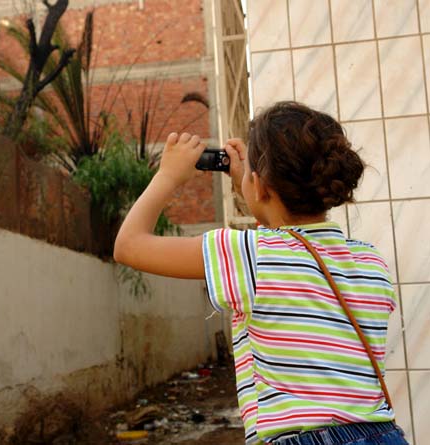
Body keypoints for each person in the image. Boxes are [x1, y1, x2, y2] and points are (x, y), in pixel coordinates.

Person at [114, 101, 408, 445]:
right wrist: (252, 186)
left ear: (262, 185)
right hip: (383, 434)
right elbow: (287, 247)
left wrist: (168, 175)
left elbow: (128, 245)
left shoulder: (248, 255)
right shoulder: (371, 262)